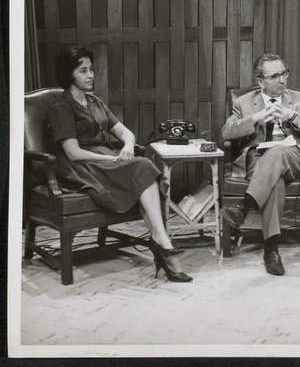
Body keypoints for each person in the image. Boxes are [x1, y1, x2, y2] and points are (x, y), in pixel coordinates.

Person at [47, 46, 192, 283]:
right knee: (142, 166)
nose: (90, 75)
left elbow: (125, 132)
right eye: (83, 71)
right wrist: (114, 159)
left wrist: (128, 145)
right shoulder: (61, 107)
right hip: (80, 165)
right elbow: (73, 153)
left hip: (104, 158)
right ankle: (163, 245)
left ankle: (161, 241)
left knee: (142, 165)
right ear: (68, 74)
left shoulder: (95, 102)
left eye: (91, 69)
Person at [220, 53, 300, 276]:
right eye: (275, 76)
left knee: (277, 151)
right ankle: (271, 248)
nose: (282, 79)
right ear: (261, 81)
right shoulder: (243, 102)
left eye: (284, 74)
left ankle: (244, 205)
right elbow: (226, 133)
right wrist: (256, 118)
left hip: (293, 155)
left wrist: (292, 116)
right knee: (275, 181)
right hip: (258, 157)